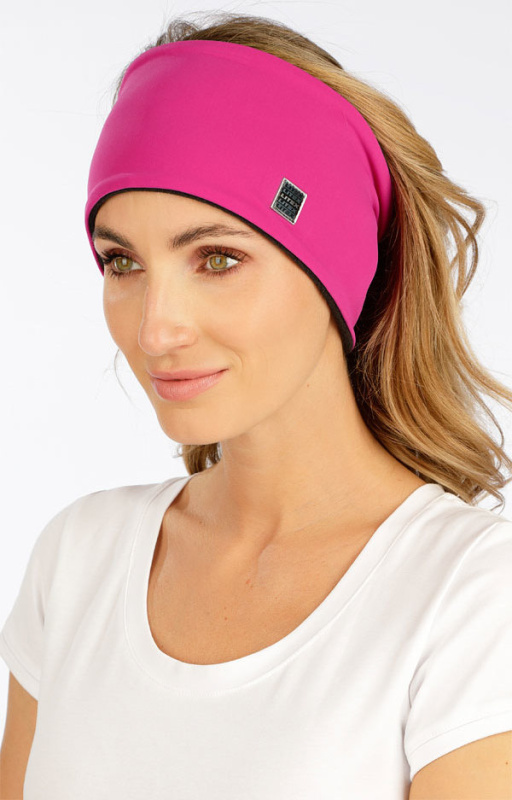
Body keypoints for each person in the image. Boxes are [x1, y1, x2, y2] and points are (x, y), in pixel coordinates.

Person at [1, 11, 512, 800]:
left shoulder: (470, 595)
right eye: (122, 261)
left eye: (217, 258)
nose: (156, 329)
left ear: (339, 267)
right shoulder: (79, 560)